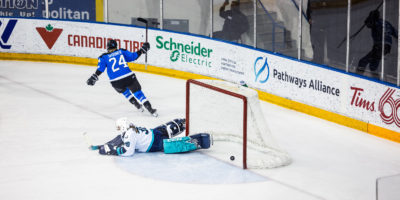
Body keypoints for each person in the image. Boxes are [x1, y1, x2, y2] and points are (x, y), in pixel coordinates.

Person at [86, 39, 158, 117]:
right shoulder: (121, 51)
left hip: (116, 82)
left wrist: (94, 76)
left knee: (126, 92)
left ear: (107, 47)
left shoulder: (103, 57)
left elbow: (100, 69)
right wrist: (142, 50)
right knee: (138, 93)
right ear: (116, 46)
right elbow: (133, 57)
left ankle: (137, 105)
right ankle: (150, 109)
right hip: (128, 77)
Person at [89, 117, 212, 156]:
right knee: (169, 127)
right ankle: (185, 122)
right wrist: (102, 145)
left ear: (123, 127)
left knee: (175, 145)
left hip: (155, 144)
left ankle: (201, 140)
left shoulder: (129, 134)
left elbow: (129, 151)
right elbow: (118, 138)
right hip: (155, 132)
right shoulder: (131, 128)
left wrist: (114, 151)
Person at [357, 10, 398, 77]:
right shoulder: (387, 23)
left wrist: (369, 18)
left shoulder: (376, 22)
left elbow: (368, 24)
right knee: (373, 66)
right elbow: (396, 34)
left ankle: (358, 77)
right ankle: (376, 80)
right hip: (387, 47)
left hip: (379, 45)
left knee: (363, 62)